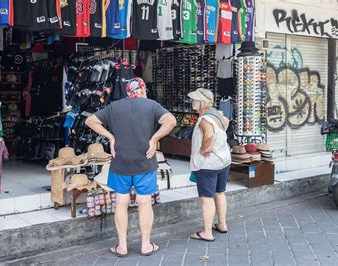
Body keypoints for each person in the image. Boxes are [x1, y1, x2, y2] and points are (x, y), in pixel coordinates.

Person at [85, 77, 177, 257]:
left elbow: (90, 121)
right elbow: (171, 121)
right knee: (144, 202)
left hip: (120, 163)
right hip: (145, 161)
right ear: (142, 90)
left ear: (128, 91)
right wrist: (155, 138)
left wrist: (110, 138)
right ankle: (145, 245)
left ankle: (122, 247)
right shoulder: (151, 105)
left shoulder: (115, 106)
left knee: (121, 202)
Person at [187, 89, 232, 241]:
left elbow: (209, 135)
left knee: (207, 197)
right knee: (219, 192)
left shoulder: (205, 120)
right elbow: (226, 123)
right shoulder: (217, 114)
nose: (192, 102)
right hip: (223, 159)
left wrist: (204, 148)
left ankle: (207, 232)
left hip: (209, 164)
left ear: (201, 102)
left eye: (194, 99)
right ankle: (222, 224)